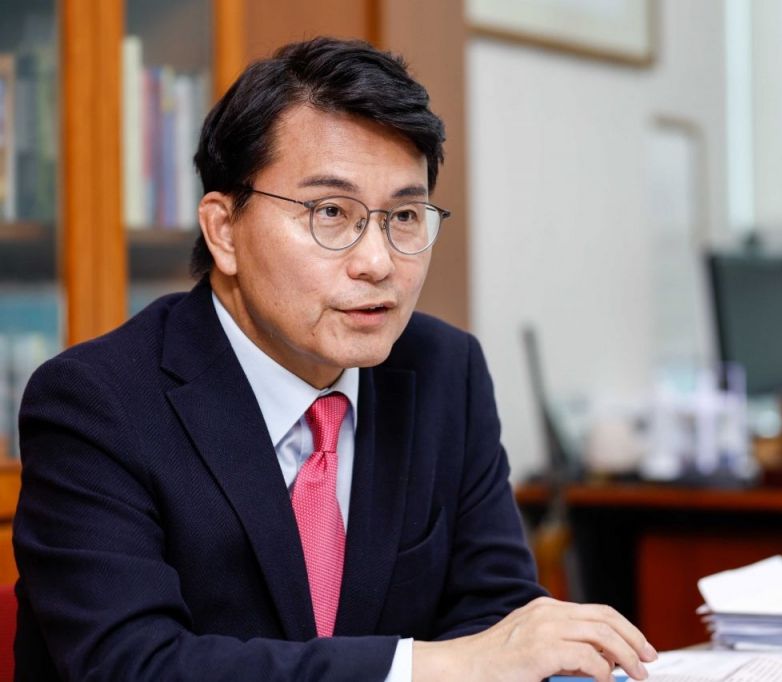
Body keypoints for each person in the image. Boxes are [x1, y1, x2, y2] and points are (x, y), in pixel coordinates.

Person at [13, 37, 656, 681]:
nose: (377, 261)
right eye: (330, 212)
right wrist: (414, 668)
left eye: (404, 215)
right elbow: (134, 665)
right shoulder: (96, 403)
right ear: (224, 230)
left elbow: (497, 619)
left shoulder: (445, 370)